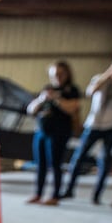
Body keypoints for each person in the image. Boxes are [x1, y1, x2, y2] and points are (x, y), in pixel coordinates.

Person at [60, 52, 112, 204]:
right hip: (93, 124)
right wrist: (109, 75)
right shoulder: (99, 78)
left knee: (105, 161)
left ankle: (97, 195)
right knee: (79, 157)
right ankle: (69, 190)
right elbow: (91, 92)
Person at [25, 61, 81, 205]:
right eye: (54, 74)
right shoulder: (47, 89)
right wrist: (42, 99)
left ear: (67, 74)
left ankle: (55, 195)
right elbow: (31, 110)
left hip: (59, 133)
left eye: (60, 74)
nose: (57, 77)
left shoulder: (71, 90)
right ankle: (38, 194)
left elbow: (72, 108)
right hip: (42, 131)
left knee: (55, 164)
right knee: (40, 164)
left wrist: (56, 99)